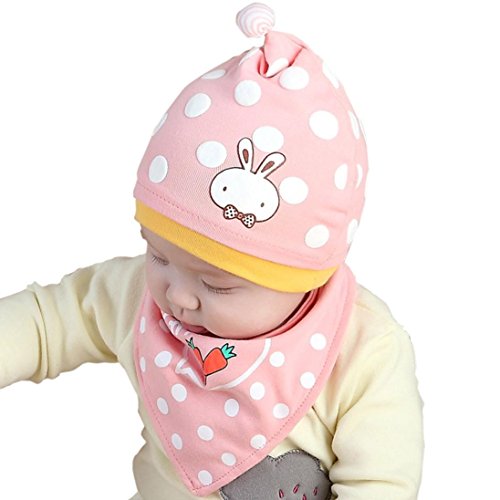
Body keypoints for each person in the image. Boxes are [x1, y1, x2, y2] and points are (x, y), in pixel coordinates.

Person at [0, 3, 424, 499]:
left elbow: (380, 485)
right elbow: (48, 321)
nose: (177, 296)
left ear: (302, 277)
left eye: (217, 284)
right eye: (159, 255)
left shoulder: (364, 351)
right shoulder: (139, 295)